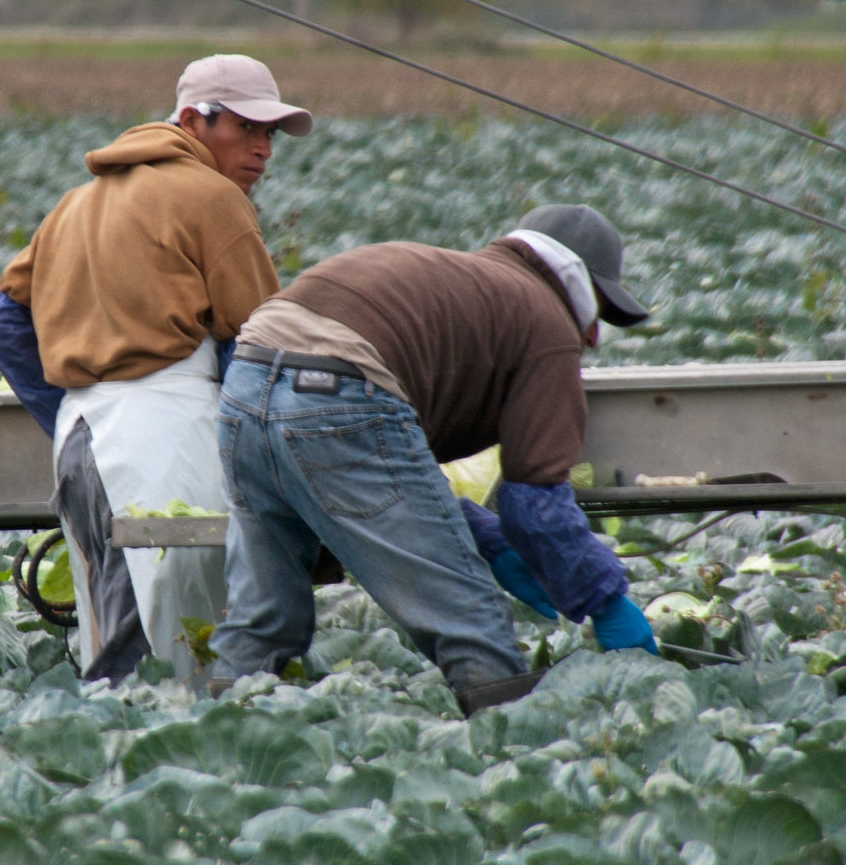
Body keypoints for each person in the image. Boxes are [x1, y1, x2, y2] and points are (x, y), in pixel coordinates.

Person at [209, 204, 658, 714]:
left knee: (262, 619)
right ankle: (506, 747)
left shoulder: (466, 281)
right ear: (586, 291)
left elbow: (386, 479)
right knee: (472, 622)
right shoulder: (547, 321)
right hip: (338, 391)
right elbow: (537, 509)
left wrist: (486, 539)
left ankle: (222, 726)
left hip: (245, 384)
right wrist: (604, 600)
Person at [0, 54, 313, 682]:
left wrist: (69, 409)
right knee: (166, 651)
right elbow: (259, 341)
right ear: (192, 119)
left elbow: (1, 317)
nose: (263, 148)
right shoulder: (213, 198)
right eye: (246, 128)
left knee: (112, 629)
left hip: (81, 444)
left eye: (269, 133)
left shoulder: (76, 204)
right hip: (164, 441)